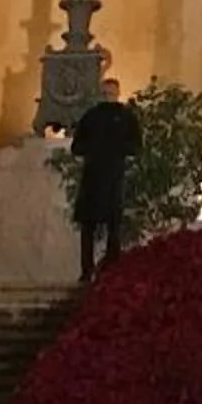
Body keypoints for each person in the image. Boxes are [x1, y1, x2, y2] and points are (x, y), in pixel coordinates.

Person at [68, 76, 142, 281]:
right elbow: (135, 146)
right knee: (110, 226)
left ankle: (90, 271)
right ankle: (104, 270)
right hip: (106, 177)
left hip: (99, 176)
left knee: (97, 227)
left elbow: (77, 147)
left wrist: (97, 149)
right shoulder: (123, 117)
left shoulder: (93, 116)